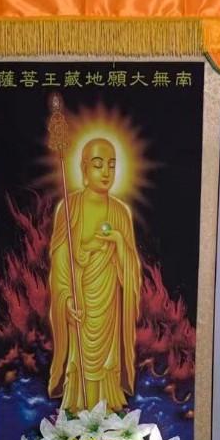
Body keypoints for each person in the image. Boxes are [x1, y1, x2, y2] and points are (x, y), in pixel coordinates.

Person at [48, 137, 141, 411]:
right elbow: (61, 260)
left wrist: (119, 243)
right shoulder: (70, 207)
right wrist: (66, 300)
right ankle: (79, 405)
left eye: (111, 165)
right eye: (98, 164)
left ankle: (106, 407)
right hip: (81, 300)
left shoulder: (121, 212)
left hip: (109, 300)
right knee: (80, 358)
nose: (106, 172)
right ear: (84, 169)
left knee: (106, 362)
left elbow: (131, 268)